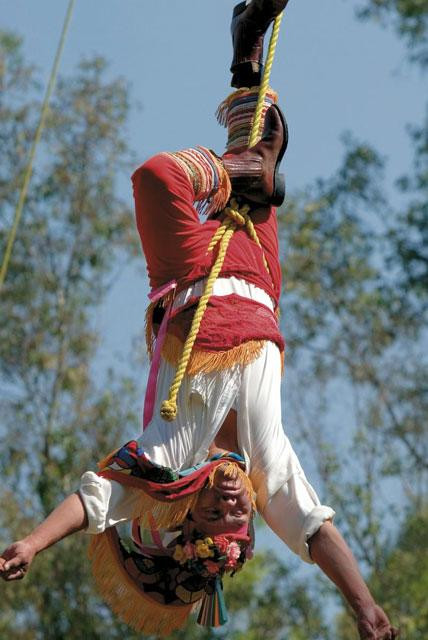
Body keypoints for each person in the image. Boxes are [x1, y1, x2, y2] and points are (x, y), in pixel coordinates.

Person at [1, 2, 398, 639]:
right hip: (258, 278)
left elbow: (94, 503)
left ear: (188, 515)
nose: (232, 503)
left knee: (156, 177)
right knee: (258, 125)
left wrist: (32, 542)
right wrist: (365, 608)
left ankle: (249, 168)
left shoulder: (165, 465)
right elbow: (315, 529)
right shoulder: (269, 472)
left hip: (190, 281)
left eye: (213, 513)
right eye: (238, 520)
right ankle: (246, 47)